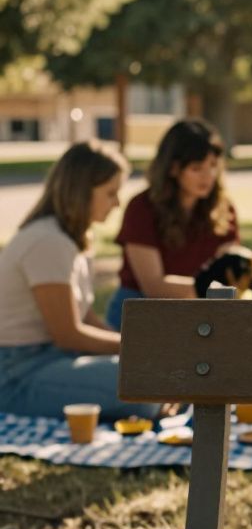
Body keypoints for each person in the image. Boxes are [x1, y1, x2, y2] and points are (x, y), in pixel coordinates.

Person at [0, 142, 160, 420]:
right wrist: (137, 349)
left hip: (49, 360)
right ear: (82, 191)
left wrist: (135, 351)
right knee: (146, 381)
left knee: (151, 374)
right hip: (16, 373)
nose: (117, 203)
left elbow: (84, 317)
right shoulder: (48, 241)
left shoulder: (71, 241)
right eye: (111, 193)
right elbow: (68, 334)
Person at [105, 119, 239, 329]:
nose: (208, 176)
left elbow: (230, 274)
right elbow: (153, 286)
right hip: (139, 316)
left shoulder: (223, 210)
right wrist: (213, 289)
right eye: (196, 168)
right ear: (173, 168)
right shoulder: (142, 208)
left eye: (213, 166)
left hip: (199, 315)